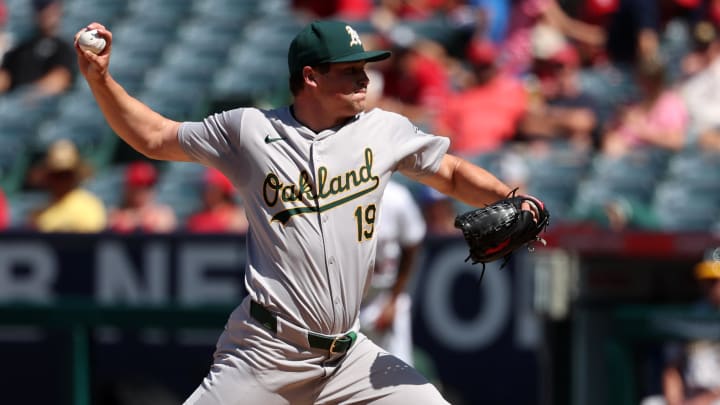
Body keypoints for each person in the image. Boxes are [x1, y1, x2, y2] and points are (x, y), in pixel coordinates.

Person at [75, 18, 541, 404]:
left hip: (347, 357)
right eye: (349, 69)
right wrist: (101, 79)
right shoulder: (250, 131)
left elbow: (452, 172)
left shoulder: (383, 130)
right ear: (311, 77)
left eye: (365, 67)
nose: (364, 77)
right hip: (265, 352)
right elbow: (154, 137)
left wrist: (509, 196)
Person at [359, 180, 425, 366]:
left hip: (383, 295)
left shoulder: (397, 197)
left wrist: (393, 299)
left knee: (397, 373)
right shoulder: (340, 195)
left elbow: (412, 245)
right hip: (348, 302)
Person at [641, 252, 720, 405]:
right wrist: (676, 402)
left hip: (715, 397)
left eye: (715, 280)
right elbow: (672, 368)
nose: (710, 286)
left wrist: (702, 401)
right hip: (691, 394)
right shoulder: (693, 315)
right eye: (706, 280)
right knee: (651, 403)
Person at [27, 138, 106, 232]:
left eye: (66, 175)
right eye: (56, 175)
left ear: (75, 175)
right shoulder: (39, 213)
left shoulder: (90, 206)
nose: (61, 180)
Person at [0, 0, 75, 96]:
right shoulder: (23, 48)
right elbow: (5, 77)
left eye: (48, 7)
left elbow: (60, 79)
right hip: (18, 104)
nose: (45, 13)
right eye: (40, 8)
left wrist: (31, 95)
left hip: (46, 106)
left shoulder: (64, 48)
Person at [108, 160, 178, 233]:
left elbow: (167, 230)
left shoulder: (163, 214)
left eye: (148, 185)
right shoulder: (116, 214)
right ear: (128, 187)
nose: (142, 190)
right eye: (137, 186)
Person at [185, 167, 249, 234]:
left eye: (213, 188)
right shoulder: (196, 218)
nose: (208, 192)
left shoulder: (237, 217)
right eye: (205, 188)